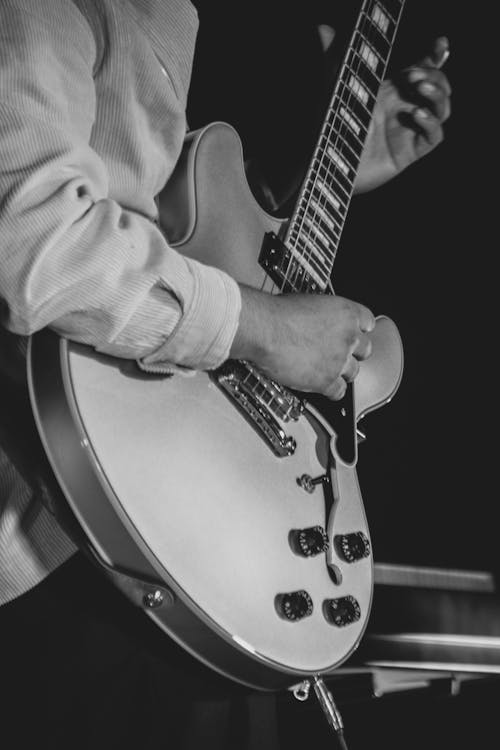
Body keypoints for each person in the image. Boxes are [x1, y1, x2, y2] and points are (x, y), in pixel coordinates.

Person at [0, 1, 451, 748]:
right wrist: (267, 329)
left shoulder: (175, 14)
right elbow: (35, 240)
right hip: (58, 535)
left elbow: (161, 226)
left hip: (184, 541)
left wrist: (335, 166)